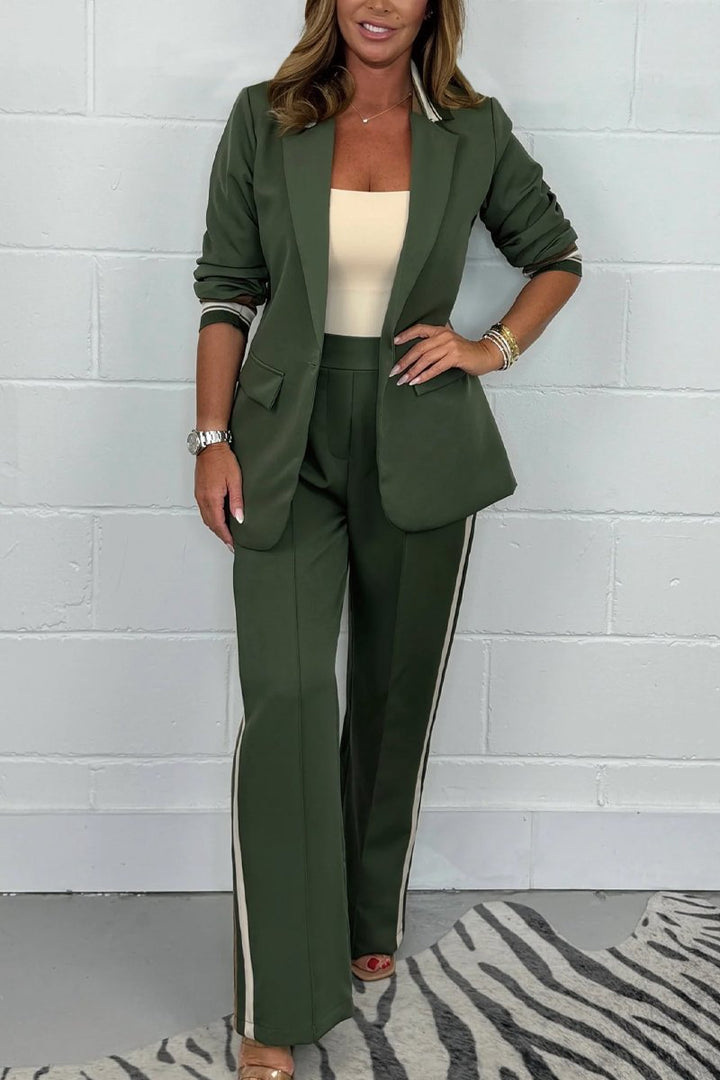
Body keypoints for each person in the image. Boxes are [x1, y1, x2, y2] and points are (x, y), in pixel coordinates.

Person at [189, 1, 582, 1076]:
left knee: (392, 695)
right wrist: (212, 439)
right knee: (287, 702)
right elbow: (227, 290)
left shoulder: (474, 130)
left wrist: (489, 346)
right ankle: (277, 1000)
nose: (377, 3)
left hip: (421, 435)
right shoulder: (265, 118)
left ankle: (369, 906)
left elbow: (556, 255)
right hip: (284, 443)